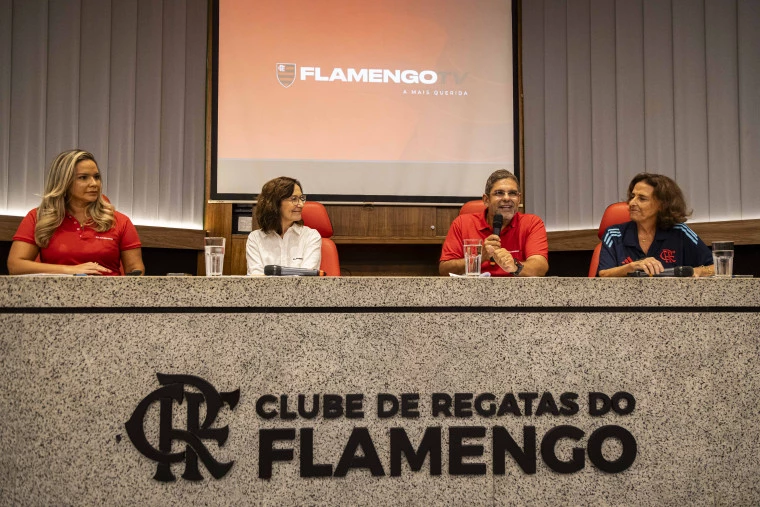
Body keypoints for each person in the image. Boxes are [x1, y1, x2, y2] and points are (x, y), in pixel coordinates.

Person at [7, 149, 144, 276]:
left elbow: (135, 270)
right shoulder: (38, 217)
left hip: (109, 298)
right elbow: (15, 265)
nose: (94, 183)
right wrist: (71, 271)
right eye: (83, 177)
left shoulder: (120, 221)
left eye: (96, 177)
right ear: (64, 182)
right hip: (55, 297)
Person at [597, 173, 713, 277]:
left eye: (642, 198)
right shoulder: (614, 234)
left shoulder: (679, 231)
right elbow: (603, 274)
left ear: (662, 205)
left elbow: (716, 267)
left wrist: (698, 271)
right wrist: (631, 267)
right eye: (632, 197)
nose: (632, 203)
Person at [439, 169, 549, 277]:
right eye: (499, 193)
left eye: (512, 193)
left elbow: (540, 267)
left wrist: (514, 266)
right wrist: (479, 257)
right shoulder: (462, 223)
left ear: (519, 199)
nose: (507, 198)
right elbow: (445, 269)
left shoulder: (532, 223)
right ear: (486, 200)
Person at [246, 176, 321, 275]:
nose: (301, 204)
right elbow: (257, 280)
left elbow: (306, 279)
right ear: (274, 203)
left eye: (301, 198)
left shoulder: (311, 236)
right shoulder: (255, 238)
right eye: (294, 199)